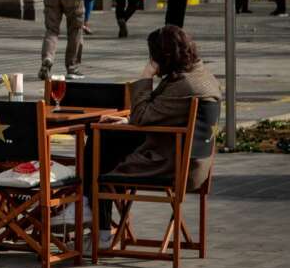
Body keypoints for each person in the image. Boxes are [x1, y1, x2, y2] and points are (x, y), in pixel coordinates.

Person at [89, 26, 221, 249]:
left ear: (164, 56)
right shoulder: (202, 76)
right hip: (193, 162)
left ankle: (91, 214)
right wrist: (127, 122)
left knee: (100, 141)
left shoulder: (185, 85)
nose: (151, 60)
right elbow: (168, 115)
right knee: (109, 139)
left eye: (153, 55)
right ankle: (96, 219)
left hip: (174, 166)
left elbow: (141, 116)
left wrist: (145, 76)